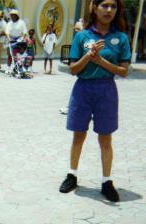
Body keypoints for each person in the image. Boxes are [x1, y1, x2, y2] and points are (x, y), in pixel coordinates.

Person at [59, 0, 131, 202]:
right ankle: (72, 175)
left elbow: (124, 71)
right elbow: (73, 69)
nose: (109, 10)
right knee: (78, 135)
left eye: (113, 7)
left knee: (105, 138)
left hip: (106, 90)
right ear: (94, 7)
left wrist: (101, 61)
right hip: (83, 89)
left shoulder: (121, 38)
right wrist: (89, 56)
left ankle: (107, 181)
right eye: (105, 5)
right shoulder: (82, 36)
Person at [5, 9, 28, 74]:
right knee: (10, 55)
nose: (12, 16)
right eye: (11, 15)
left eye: (13, 15)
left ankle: (18, 68)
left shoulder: (21, 22)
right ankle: (8, 68)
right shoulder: (9, 23)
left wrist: (23, 38)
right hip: (11, 40)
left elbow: (24, 32)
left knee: (19, 55)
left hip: (19, 40)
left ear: (16, 16)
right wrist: (9, 39)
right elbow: (7, 32)